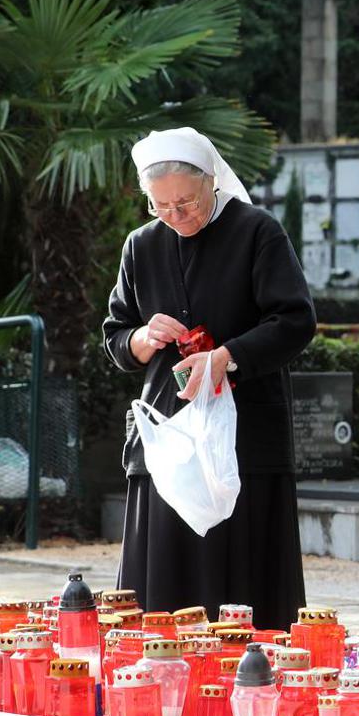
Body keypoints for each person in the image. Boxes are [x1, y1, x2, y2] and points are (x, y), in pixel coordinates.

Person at [104, 127, 316, 629]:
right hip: (168, 440)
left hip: (244, 438)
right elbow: (115, 336)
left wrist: (226, 356)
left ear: (211, 183)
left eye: (187, 202)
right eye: (162, 206)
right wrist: (141, 339)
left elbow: (295, 320)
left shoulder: (257, 231)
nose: (177, 216)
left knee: (243, 580)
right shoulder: (141, 246)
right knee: (164, 585)